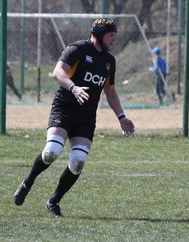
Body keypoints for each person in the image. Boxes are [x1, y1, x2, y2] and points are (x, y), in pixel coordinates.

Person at [13, 18, 135, 217]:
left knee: (78, 162)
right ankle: (28, 182)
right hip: (64, 108)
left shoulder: (109, 61)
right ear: (99, 34)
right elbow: (57, 72)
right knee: (51, 152)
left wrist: (122, 117)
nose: (113, 39)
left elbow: (110, 92)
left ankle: (54, 201)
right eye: (110, 35)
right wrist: (74, 88)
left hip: (86, 117)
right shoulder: (77, 49)